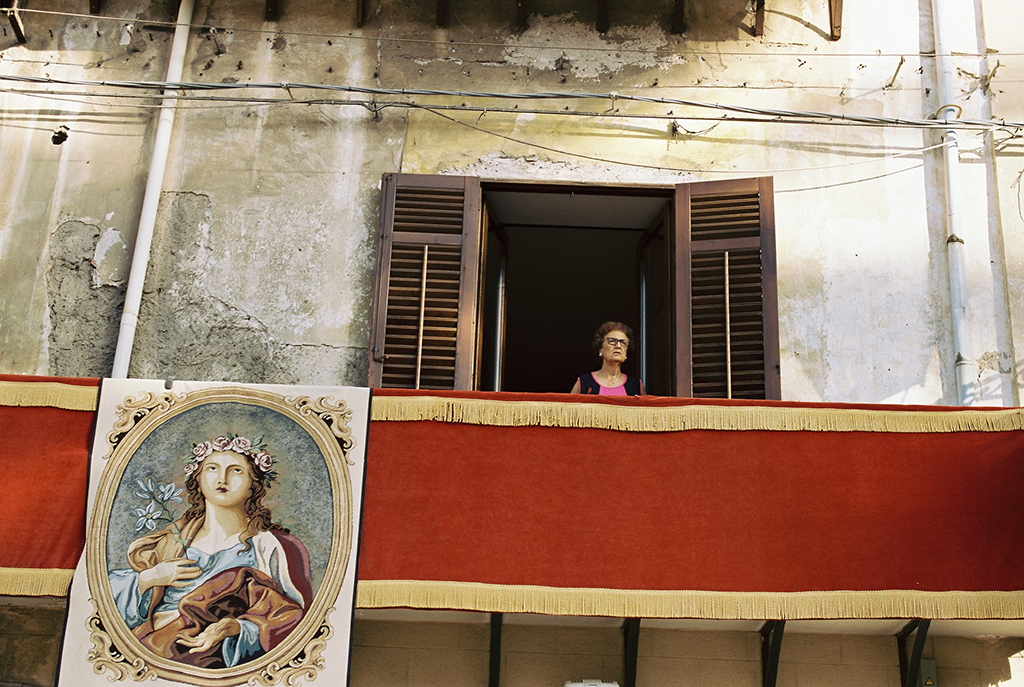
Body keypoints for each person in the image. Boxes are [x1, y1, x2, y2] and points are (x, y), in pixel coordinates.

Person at [108, 435, 313, 669]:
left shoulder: (274, 547)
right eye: (212, 468)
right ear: (199, 478)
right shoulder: (171, 542)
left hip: (223, 661)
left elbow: (295, 622)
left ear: (252, 486)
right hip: (155, 651)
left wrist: (238, 628)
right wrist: (152, 577)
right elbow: (104, 601)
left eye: (236, 471)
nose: (222, 478)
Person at [570, 321, 645, 396]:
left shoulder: (636, 386)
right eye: (612, 341)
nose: (618, 346)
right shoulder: (584, 382)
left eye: (623, 342)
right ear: (600, 348)